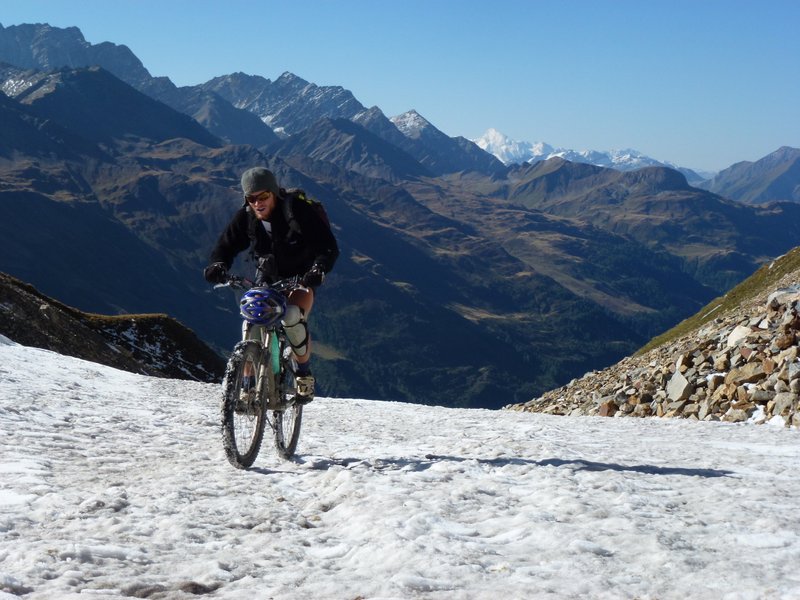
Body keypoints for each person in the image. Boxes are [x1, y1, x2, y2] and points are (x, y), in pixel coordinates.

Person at [204, 167, 339, 403]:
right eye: (251, 198)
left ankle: (303, 374)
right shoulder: (246, 216)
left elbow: (327, 247)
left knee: (292, 316)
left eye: (263, 196)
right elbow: (226, 245)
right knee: (252, 322)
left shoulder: (297, 211)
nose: (257, 203)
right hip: (267, 277)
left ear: (274, 193)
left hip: (301, 277)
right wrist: (218, 264)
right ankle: (247, 387)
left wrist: (318, 269)